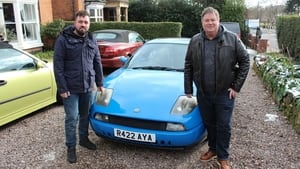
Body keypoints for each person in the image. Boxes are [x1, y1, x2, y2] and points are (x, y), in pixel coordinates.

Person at [184, 7, 250, 169]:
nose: (210, 23)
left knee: (224, 126)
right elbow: (188, 64)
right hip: (204, 93)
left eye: (213, 20)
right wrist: (188, 89)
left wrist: (236, 86)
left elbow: (245, 61)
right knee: (209, 124)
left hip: (224, 94)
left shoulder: (232, 39)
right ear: (202, 22)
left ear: (218, 21)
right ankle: (213, 149)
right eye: (207, 20)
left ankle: (223, 157)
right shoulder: (195, 40)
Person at [53, 10, 104, 163]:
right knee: (71, 118)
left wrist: (100, 82)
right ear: (75, 23)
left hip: (88, 86)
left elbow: (97, 61)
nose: (83, 24)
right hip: (70, 88)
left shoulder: (91, 39)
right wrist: (62, 88)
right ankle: (71, 147)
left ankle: (83, 139)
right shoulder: (63, 39)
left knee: (85, 115)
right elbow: (58, 66)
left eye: (86, 22)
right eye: (80, 21)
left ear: (89, 24)